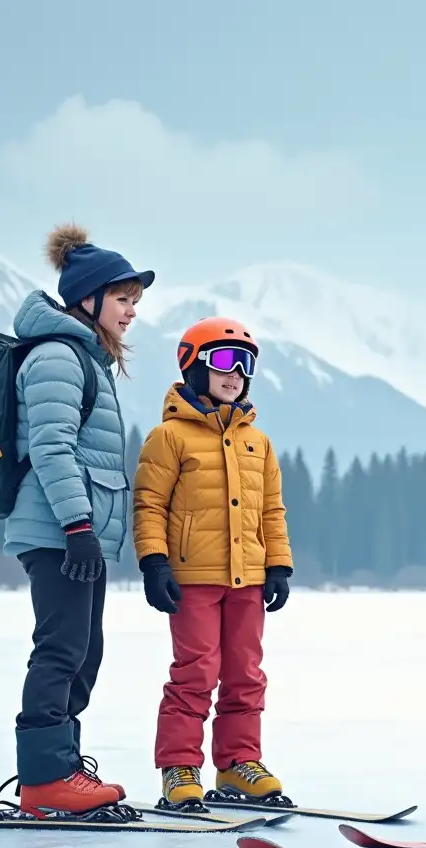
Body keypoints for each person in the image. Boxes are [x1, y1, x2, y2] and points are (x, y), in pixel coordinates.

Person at [4, 224, 154, 817]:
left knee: (83, 651)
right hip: (58, 531)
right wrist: (77, 526)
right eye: (123, 299)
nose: (131, 312)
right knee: (61, 648)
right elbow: (51, 448)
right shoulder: (58, 358)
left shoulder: (86, 359)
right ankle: (44, 781)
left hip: (75, 532)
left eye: (135, 302)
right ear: (87, 299)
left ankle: (61, 768)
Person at [132, 316, 293, 807]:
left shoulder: (257, 442)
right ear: (193, 366)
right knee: (195, 673)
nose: (235, 373)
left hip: (248, 577)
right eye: (224, 360)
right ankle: (180, 769)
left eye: (245, 364)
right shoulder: (170, 437)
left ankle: (238, 764)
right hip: (192, 579)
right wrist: (154, 562)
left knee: (246, 673)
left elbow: (271, 509)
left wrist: (279, 565)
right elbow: (149, 504)